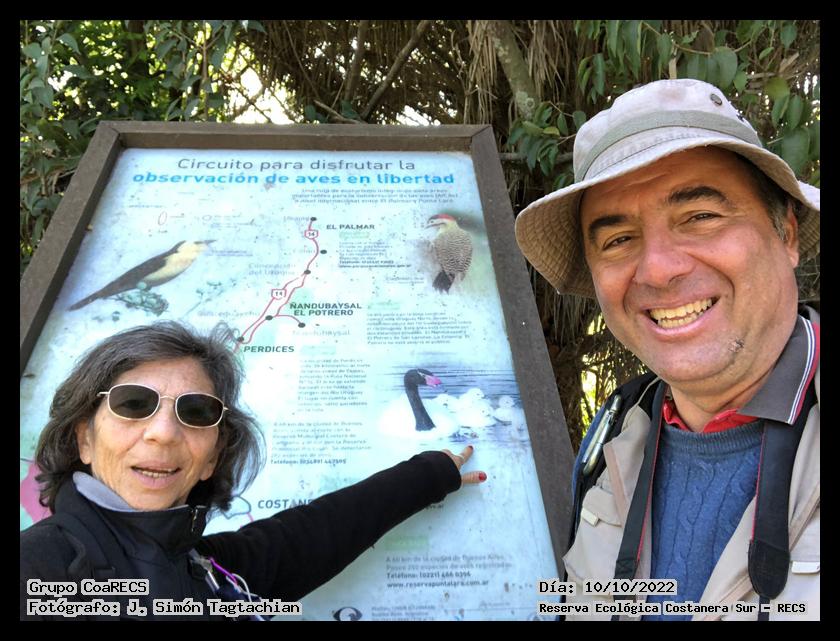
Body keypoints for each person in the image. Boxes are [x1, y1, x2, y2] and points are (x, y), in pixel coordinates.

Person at [515, 79, 819, 621]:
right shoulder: (613, 438)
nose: (657, 270)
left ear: (787, 235)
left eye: (700, 216)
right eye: (618, 240)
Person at [20, 321, 485, 621]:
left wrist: (430, 474)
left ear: (213, 457)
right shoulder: (38, 571)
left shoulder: (210, 572)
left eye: (196, 412)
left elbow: (315, 534)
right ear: (84, 438)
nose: (163, 432)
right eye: (133, 404)